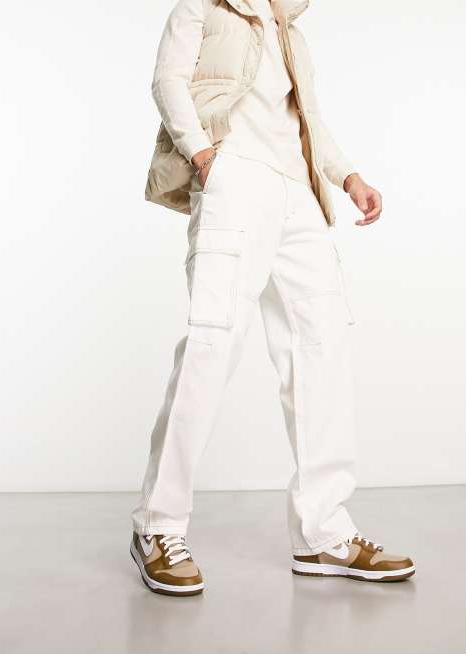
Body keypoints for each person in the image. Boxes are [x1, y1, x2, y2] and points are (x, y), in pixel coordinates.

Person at [130, 0, 415, 596]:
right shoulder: (202, 8)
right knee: (212, 347)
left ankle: (323, 533)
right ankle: (158, 525)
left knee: (322, 350)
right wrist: (201, 153)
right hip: (233, 177)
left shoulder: (291, 33)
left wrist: (348, 176)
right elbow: (168, 80)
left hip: (299, 195)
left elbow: (309, 120)